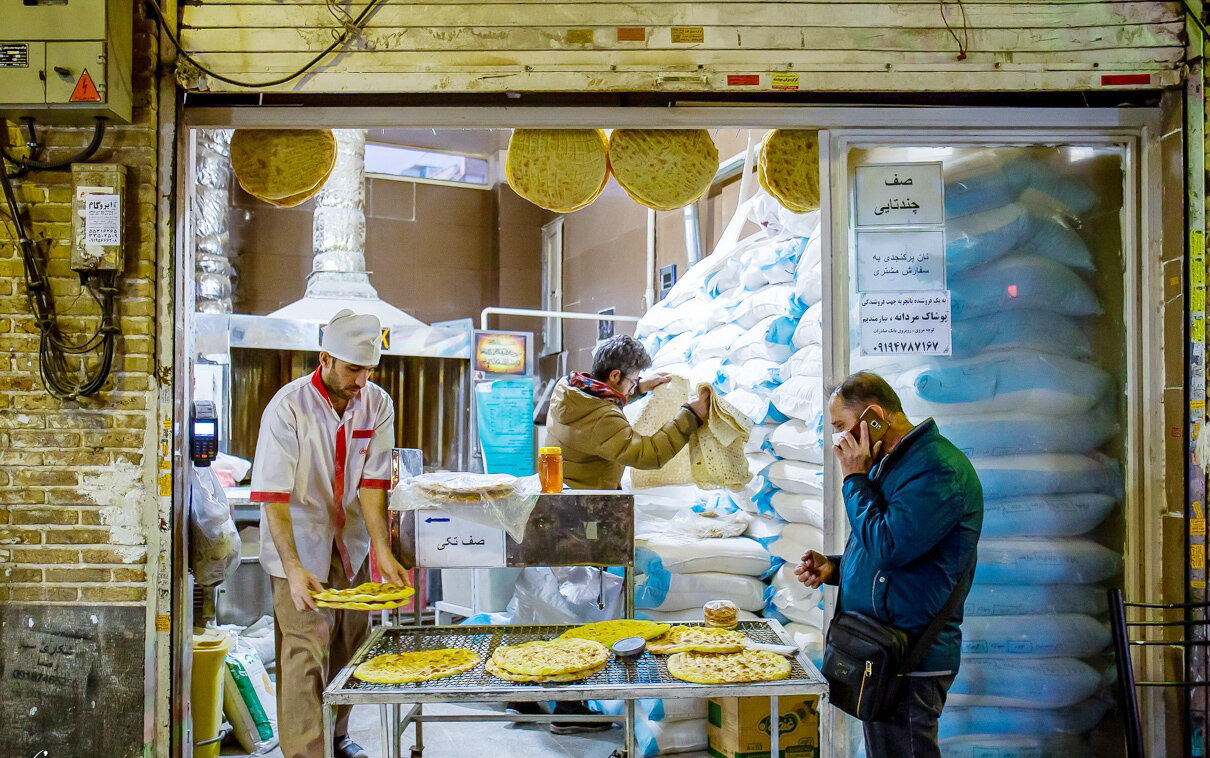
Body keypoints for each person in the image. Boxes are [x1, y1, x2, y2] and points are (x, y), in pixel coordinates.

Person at [515, 335, 710, 734]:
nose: (632, 385)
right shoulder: (601, 416)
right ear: (616, 375)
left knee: (545, 604)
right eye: (631, 378)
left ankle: (525, 690)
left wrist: (640, 386)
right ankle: (569, 711)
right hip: (582, 518)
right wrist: (690, 414)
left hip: (556, 508)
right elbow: (647, 453)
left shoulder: (570, 390)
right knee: (582, 610)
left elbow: (607, 405)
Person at [795, 371, 982, 758]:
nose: (840, 441)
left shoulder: (936, 470)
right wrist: (835, 568)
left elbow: (890, 546)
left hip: (912, 657)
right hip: (882, 651)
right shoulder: (895, 463)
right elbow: (884, 550)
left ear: (875, 418)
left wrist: (853, 478)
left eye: (843, 427)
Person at [250, 309, 411, 758]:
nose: (362, 380)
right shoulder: (288, 407)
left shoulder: (377, 404)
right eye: (353, 369)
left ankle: (337, 738)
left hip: (352, 545)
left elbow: (374, 483)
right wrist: (294, 569)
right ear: (325, 358)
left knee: (348, 646)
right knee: (306, 650)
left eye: (369, 370)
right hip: (299, 545)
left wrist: (381, 548)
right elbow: (273, 498)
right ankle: (305, 753)